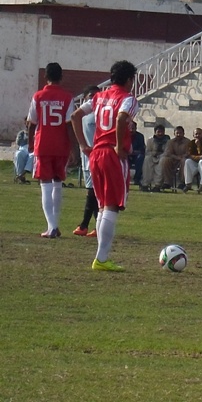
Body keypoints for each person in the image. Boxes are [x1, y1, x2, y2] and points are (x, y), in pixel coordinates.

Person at [71, 60, 140, 272]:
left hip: (96, 153)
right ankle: (101, 259)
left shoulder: (99, 96)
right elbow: (120, 119)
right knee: (112, 205)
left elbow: (75, 116)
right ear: (129, 80)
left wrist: (83, 144)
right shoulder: (128, 98)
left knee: (102, 206)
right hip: (112, 153)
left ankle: (102, 257)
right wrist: (120, 146)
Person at [27, 62, 76, 238]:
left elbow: (31, 123)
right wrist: (73, 148)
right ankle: (54, 225)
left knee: (45, 185)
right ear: (61, 77)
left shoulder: (38, 96)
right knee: (57, 183)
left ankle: (52, 226)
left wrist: (30, 144)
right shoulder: (67, 97)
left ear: (45, 77)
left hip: (44, 144)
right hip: (61, 145)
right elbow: (70, 125)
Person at [73, 86, 100, 237]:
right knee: (92, 192)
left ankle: (84, 225)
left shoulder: (100, 115)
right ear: (84, 99)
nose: (93, 100)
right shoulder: (81, 116)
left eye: (96, 96)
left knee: (93, 192)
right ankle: (95, 226)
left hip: (98, 158)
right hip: (86, 158)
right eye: (90, 97)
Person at [140, 124, 170, 192]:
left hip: (162, 157)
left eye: (162, 132)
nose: (160, 133)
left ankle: (157, 185)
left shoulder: (168, 141)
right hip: (152, 156)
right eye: (158, 132)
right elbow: (147, 151)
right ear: (155, 132)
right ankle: (145, 184)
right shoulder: (150, 140)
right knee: (147, 159)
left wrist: (160, 156)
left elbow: (167, 152)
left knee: (162, 162)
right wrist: (154, 154)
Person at [161, 126, 190, 190]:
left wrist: (182, 157)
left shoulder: (187, 142)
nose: (179, 135)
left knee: (184, 161)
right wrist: (177, 157)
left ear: (183, 133)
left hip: (183, 159)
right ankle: (167, 182)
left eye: (180, 133)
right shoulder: (170, 142)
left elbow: (189, 152)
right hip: (173, 159)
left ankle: (181, 182)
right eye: (177, 133)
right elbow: (168, 153)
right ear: (174, 134)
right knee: (165, 160)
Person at [14, 117, 34, 184]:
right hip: (23, 148)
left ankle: (22, 174)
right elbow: (18, 142)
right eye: (27, 122)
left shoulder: (37, 132)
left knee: (33, 155)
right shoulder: (22, 133)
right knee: (19, 154)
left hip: (32, 148)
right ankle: (21, 176)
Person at [129, 121, 145, 186]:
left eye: (133, 128)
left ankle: (137, 179)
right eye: (130, 128)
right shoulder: (123, 135)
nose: (131, 130)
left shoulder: (140, 136)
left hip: (136, 155)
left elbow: (142, 149)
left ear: (136, 128)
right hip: (126, 155)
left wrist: (134, 152)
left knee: (141, 158)